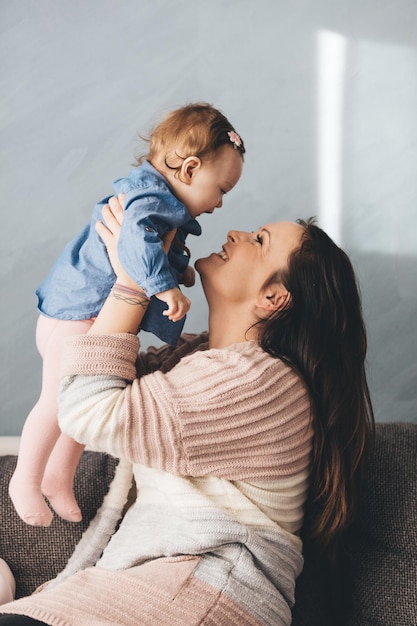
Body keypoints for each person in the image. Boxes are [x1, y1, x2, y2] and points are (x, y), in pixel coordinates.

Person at [0, 197, 374, 626]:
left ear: (273, 297)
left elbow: (88, 409)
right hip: (158, 588)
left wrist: (133, 284)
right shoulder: (196, 358)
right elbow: (84, 370)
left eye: (258, 240)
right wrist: (131, 260)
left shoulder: (261, 382)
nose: (235, 233)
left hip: (206, 594)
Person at [9, 103, 245, 528]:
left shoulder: (165, 203)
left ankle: (58, 478)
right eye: (222, 189)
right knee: (56, 402)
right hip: (76, 313)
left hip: (91, 319)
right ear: (189, 169)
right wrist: (163, 286)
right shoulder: (150, 197)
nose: (221, 203)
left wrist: (179, 270)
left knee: (87, 407)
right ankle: (23, 480)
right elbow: (134, 245)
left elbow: (156, 248)